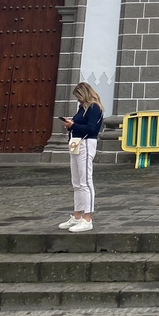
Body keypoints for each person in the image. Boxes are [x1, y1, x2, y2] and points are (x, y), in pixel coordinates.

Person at [58, 82, 104, 232]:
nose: (77, 100)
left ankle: (87, 218)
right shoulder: (82, 108)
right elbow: (80, 123)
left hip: (86, 143)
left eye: (78, 97)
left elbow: (92, 129)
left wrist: (73, 126)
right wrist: (71, 122)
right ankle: (77, 215)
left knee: (85, 181)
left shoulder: (93, 108)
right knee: (76, 182)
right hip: (76, 144)